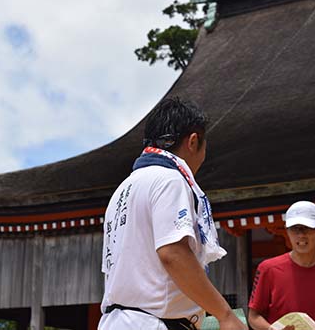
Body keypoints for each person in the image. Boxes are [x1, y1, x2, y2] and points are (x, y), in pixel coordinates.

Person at [98, 97, 247, 330]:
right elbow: (173, 253)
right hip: (153, 322)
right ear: (193, 141)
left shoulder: (122, 189)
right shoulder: (170, 179)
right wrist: (224, 314)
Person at [248, 201, 315, 330]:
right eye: (295, 229)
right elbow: (253, 317)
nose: (301, 235)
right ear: (287, 230)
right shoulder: (267, 269)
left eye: (307, 228)